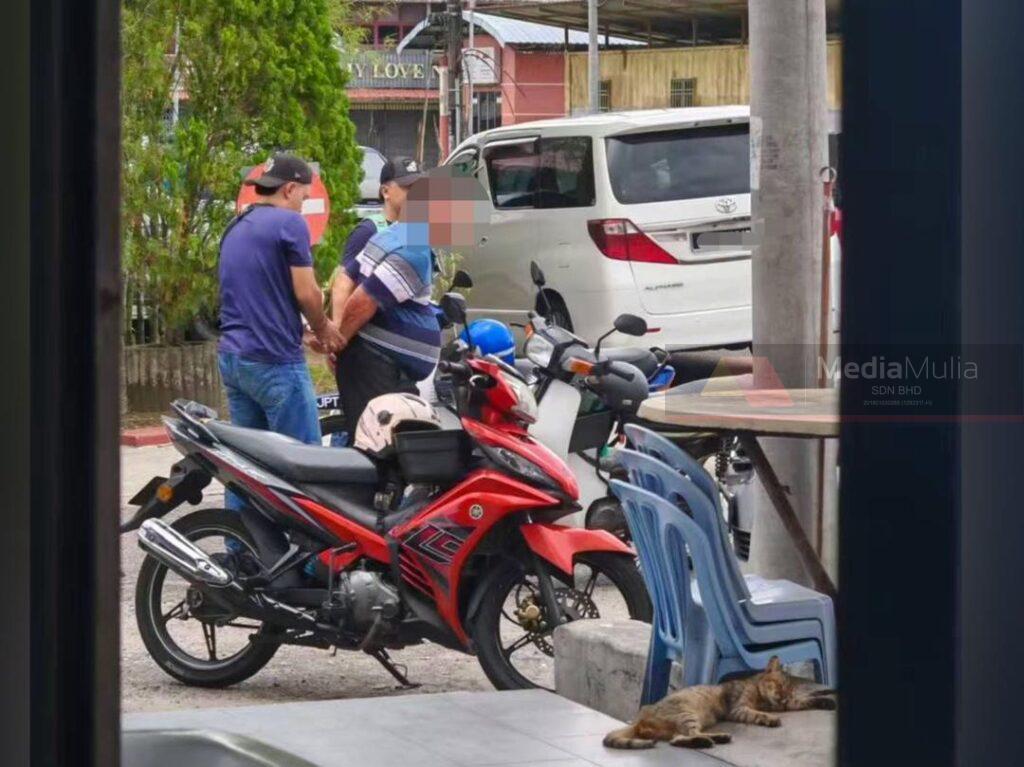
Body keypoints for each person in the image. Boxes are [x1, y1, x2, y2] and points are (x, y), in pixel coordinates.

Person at [328, 167, 490, 437]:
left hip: (381, 364)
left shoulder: (396, 235)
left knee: (396, 439)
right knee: (379, 443)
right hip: (375, 365)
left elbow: (346, 277)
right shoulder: (410, 249)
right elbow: (362, 301)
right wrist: (338, 341)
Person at [218, 153, 344, 452]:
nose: (303, 203)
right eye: (304, 196)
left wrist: (301, 332)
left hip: (234, 360)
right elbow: (307, 293)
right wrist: (323, 327)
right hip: (274, 362)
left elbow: (253, 295)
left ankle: (237, 503)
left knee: (249, 466)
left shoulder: (236, 227)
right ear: (289, 189)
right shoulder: (290, 223)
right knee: (305, 461)